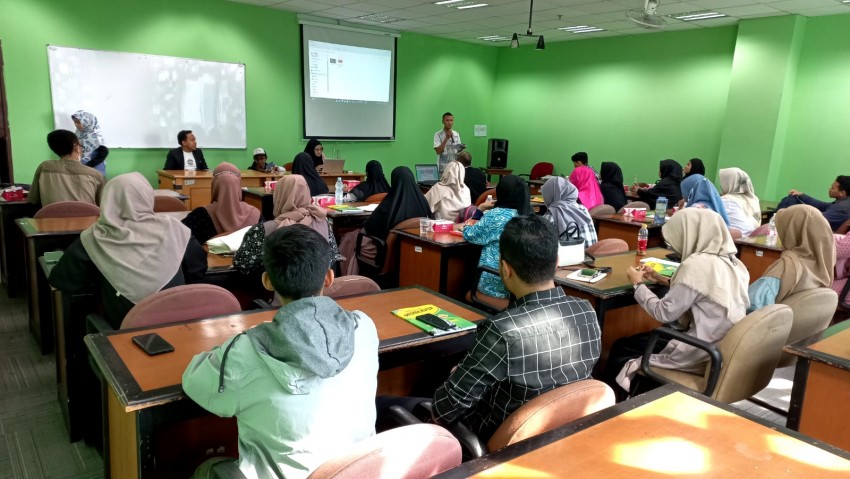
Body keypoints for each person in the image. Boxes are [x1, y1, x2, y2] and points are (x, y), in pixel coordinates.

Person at [183, 225, 379, 479]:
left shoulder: (244, 353)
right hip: (357, 471)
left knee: (205, 468)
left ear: (267, 281)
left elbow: (194, 383)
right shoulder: (363, 328)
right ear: (329, 278)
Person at [431, 215, 601, 441]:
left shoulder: (502, 330)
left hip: (502, 444)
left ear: (505, 268)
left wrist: (458, 376)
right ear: (557, 261)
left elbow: (444, 410)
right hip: (565, 434)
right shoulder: (586, 310)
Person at [603, 208, 749, 398]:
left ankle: (613, 404)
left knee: (621, 346)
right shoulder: (733, 262)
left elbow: (664, 313)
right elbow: (702, 291)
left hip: (697, 348)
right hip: (719, 346)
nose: (674, 246)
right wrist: (660, 278)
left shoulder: (697, 264)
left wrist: (637, 283)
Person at [48, 173, 207, 329]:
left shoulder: (95, 237)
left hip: (126, 337)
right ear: (147, 197)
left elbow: (62, 280)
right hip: (182, 326)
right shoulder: (175, 228)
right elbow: (198, 268)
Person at [233, 175, 339, 276]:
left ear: (279, 196)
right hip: (318, 289)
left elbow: (242, 264)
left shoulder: (264, 230)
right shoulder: (323, 222)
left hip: (276, 291)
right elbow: (333, 257)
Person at [338, 166, 430, 276]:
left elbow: (369, 227)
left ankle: (346, 277)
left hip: (383, 251)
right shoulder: (423, 203)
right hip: (409, 252)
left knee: (349, 238)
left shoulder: (390, 204)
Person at [748, 205, 834, 312]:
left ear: (791, 232)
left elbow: (753, 305)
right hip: (801, 326)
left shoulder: (785, 268)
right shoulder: (826, 261)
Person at [464, 175, 531, 300]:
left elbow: (469, 234)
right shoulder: (530, 215)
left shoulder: (496, 215)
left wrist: (479, 210)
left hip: (494, 280)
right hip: (520, 285)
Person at [182, 162, 262, 244]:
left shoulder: (199, 215)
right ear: (238, 185)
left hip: (206, 257)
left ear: (214, 185)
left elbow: (179, 237)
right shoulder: (255, 214)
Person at [28, 129, 105, 206]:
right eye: (80, 146)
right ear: (76, 147)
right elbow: (103, 204)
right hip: (88, 218)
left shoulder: (44, 167)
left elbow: (33, 199)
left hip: (52, 217)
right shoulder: (95, 175)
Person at [776, 175, 850, 231]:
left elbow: (817, 218)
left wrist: (801, 210)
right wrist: (801, 195)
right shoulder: (844, 202)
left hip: (817, 231)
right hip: (816, 225)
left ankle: (777, 223)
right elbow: (823, 205)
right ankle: (777, 220)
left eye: (832, 188)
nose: (829, 189)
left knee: (791, 201)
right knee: (793, 197)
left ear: (842, 193)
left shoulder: (842, 207)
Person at [542, 177, 597, 248]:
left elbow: (543, 247)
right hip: (591, 255)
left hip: (569, 257)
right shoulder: (583, 209)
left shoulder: (552, 214)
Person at [718, 167, 761, 236]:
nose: (721, 186)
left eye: (723, 182)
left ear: (730, 183)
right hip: (750, 240)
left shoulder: (727, 200)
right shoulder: (753, 199)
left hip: (735, 242)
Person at [71, 110, 109, 176]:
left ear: (87, 122)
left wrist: (89, 165)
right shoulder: (78, 133)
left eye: (79, 123)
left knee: (96, 182)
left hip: (95, 165)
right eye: (75, 122)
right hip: (82, 164)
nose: (76, 125)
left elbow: (103, 153)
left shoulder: (96, 135)